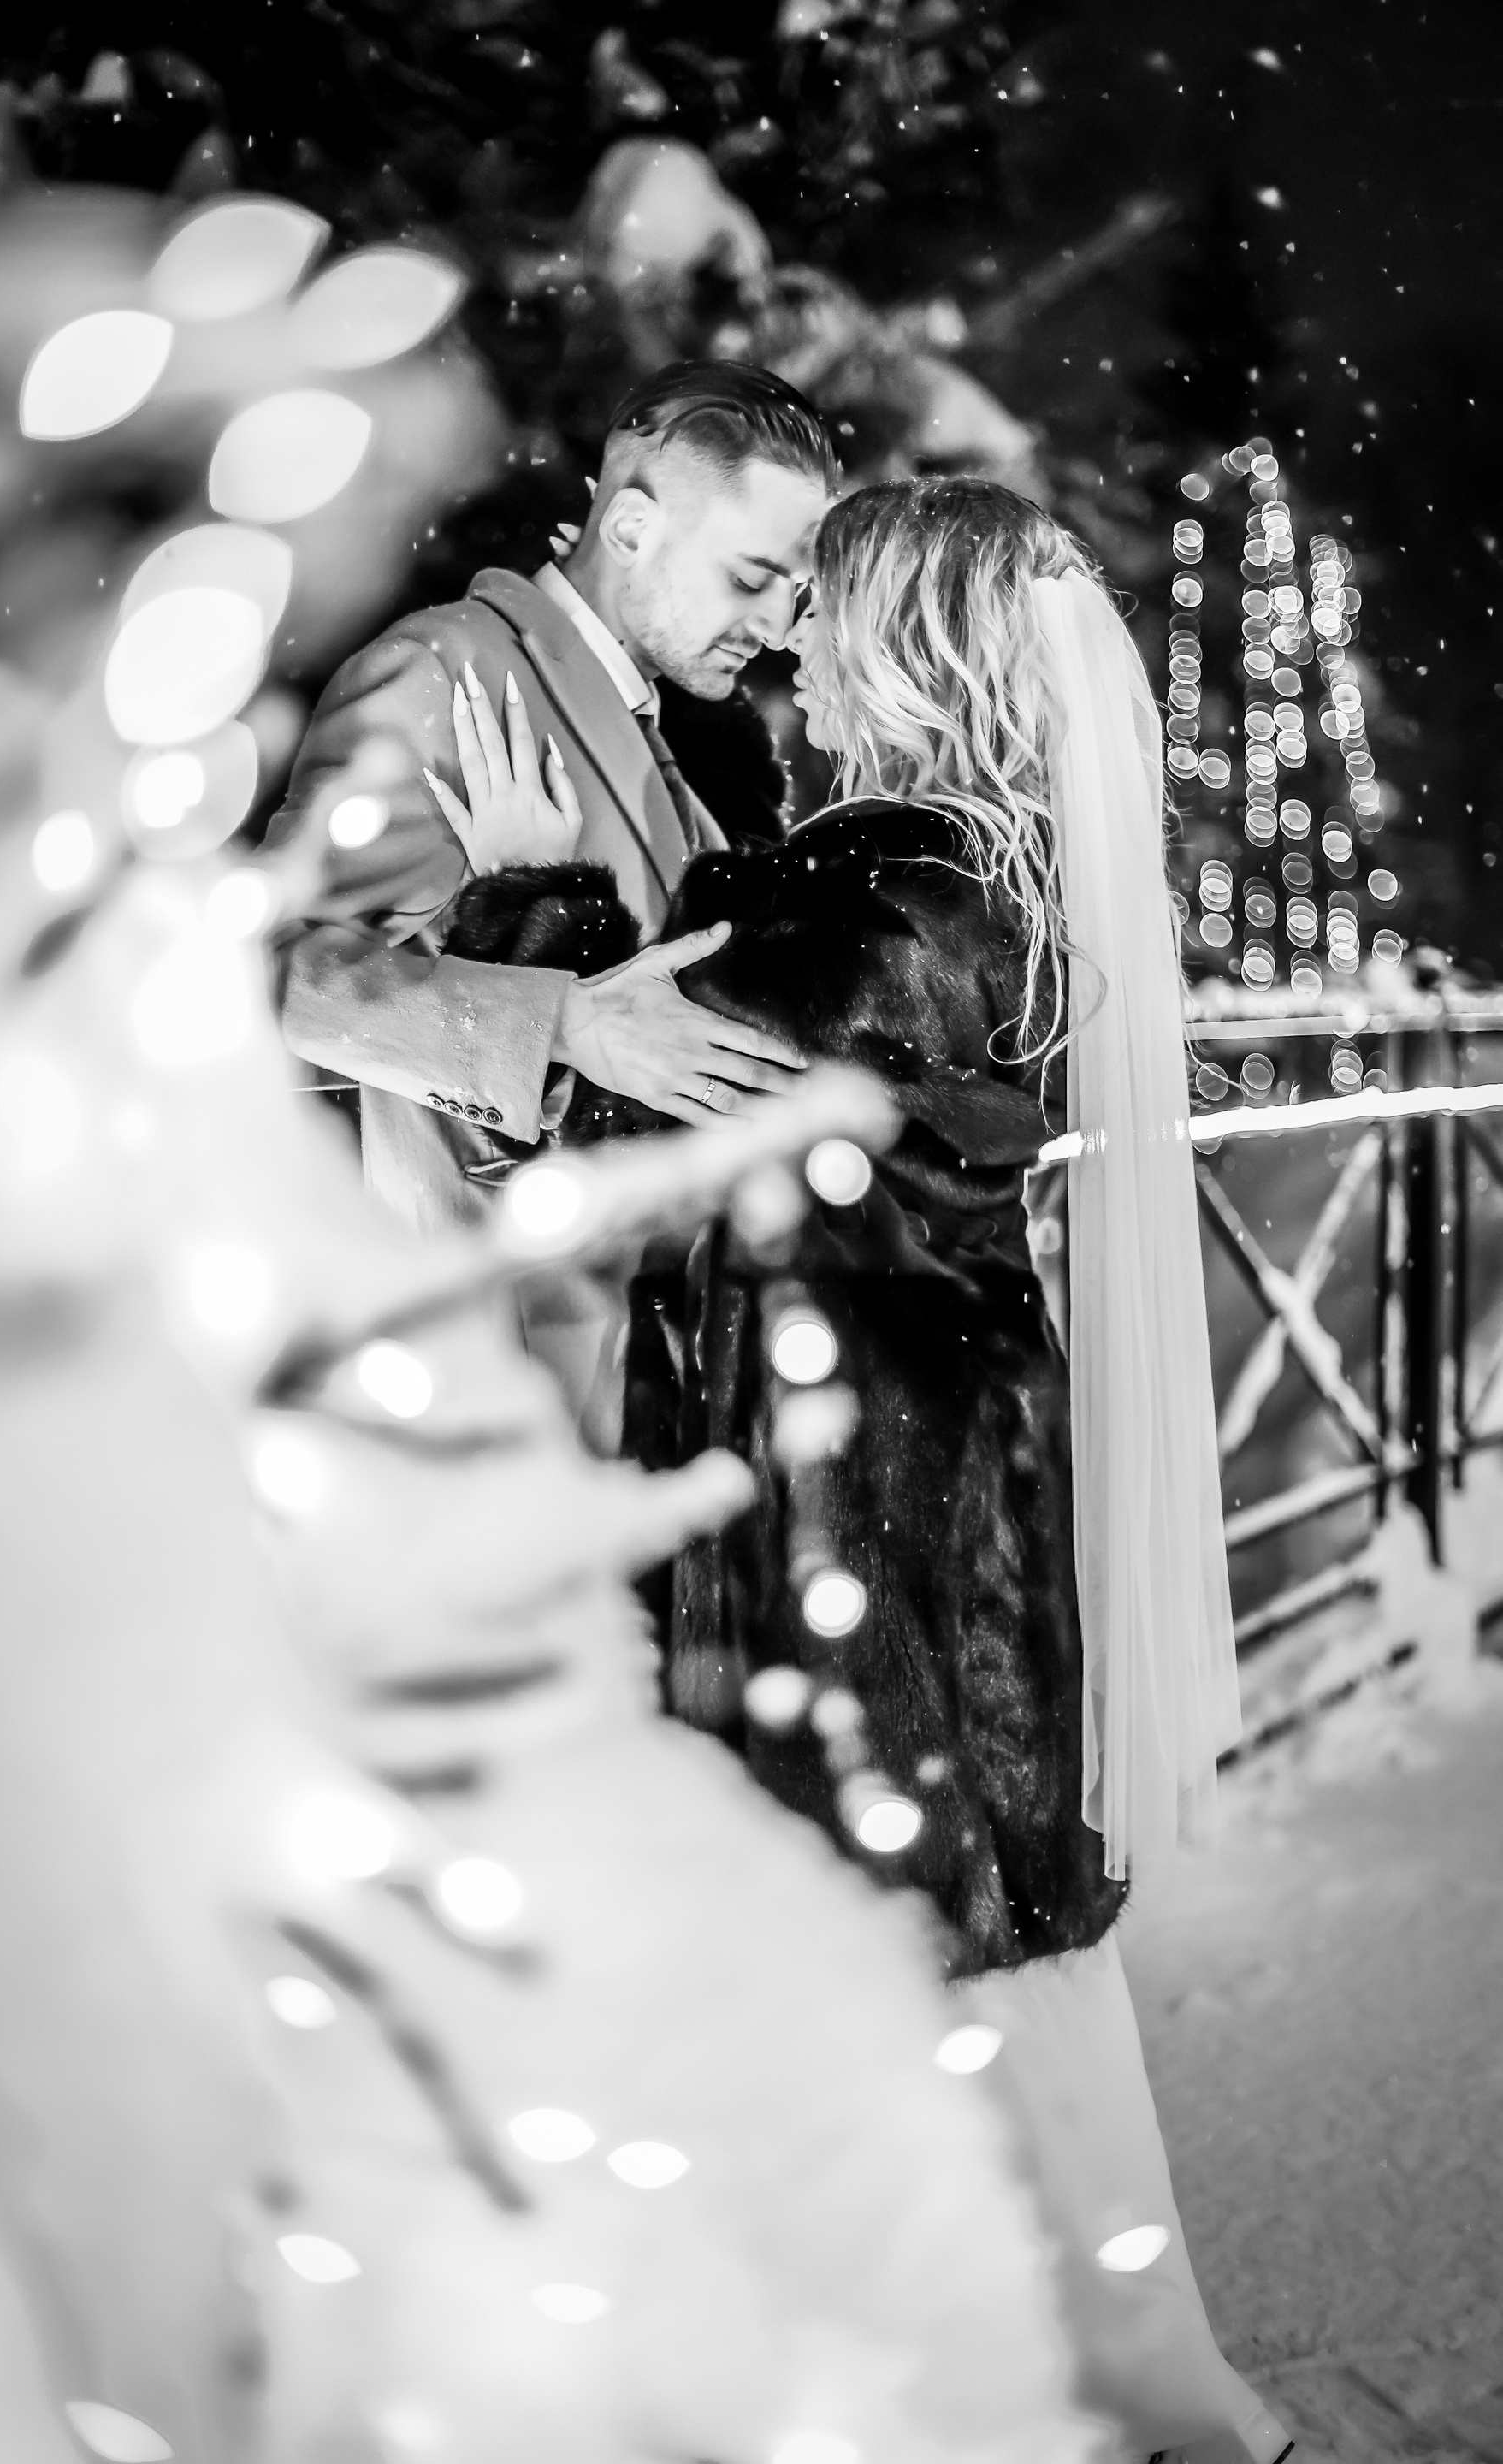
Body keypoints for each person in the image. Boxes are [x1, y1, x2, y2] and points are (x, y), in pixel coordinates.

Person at [430, 476, 1294, 2464]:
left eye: (825, 609)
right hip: (932, 1468)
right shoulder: (975, 882)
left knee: (895, 1949)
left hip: (859, 1498)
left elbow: (613, 1141)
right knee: (984, 1948)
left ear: (908, 644)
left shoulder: (877, 907)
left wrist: (533, 918)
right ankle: (1109, 2382)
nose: (792, 646)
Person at [264, 361, 836, 1447]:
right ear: (630, 528)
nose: (776, 624)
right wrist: (560, 1026)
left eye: (794, 591)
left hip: (635, 1391)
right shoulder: (447, 678)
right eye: (752, 576)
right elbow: (273, 978)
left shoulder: (663, 751)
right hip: (485, 1385)